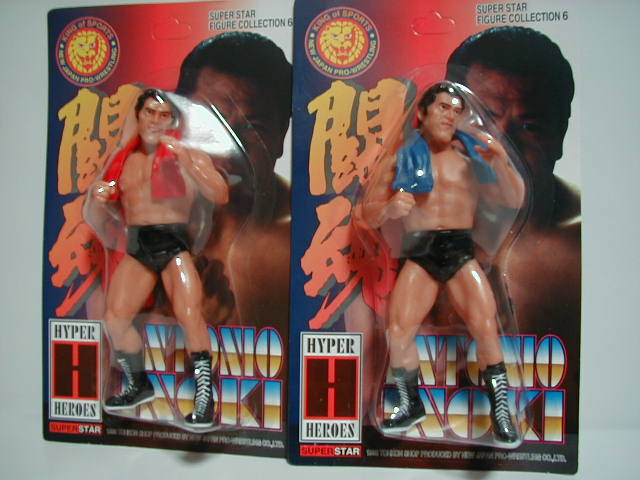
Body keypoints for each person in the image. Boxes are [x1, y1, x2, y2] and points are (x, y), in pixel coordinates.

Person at [363, 82, 525, 444]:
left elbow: (513, 200)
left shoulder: (470, 164)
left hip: (460, 250)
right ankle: (410, 404)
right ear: (422, 113)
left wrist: (501, 160)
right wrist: (389, 208)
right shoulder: (400, 160)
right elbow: (368, 214)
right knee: (398, 331)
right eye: (443, 108)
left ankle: (502, 412)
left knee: (485, 327)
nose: (450, 116)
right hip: (420, 250)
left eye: (456, 110)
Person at [84, 89, 229, 428]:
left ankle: (205, 398)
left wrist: (188, 160)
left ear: (173, 120)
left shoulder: (185, 154)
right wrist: (100, 197)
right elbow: (98, 217)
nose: (155, 120)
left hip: (174, 242)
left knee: (190, 315)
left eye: (164, 115)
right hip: (138, 244)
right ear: (138, 115)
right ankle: (138, 384)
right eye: (150, 112)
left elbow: (220, 194)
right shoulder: (124, 160)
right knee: (115, 319)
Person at [445, 27, 580, 340]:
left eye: (529, 126)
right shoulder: (411, 225)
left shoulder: (585, 245)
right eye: (484, 119)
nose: (502, 144)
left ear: (559, 136)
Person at [175, 32, 292, 329]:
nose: (229, 148)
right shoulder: (150, 220)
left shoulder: (307, 239)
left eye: (253, 127)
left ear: (281, 134)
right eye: (209, 124)